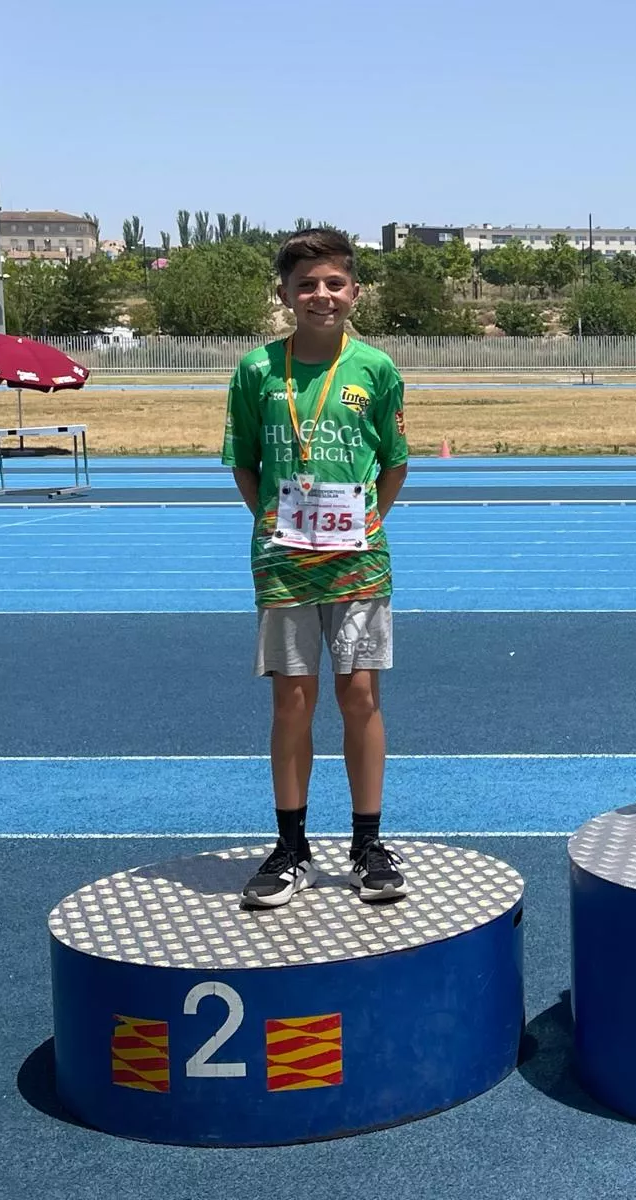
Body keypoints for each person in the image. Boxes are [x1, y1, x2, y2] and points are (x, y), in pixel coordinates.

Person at [222, 228, 411, 907]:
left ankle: (367, 842)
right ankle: (291, 844)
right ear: (284, 294)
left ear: (354, 291)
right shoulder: (256, 371)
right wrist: (266, 518)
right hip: (283, 559)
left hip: (357, 560)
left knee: (359, 695)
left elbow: (395, 459)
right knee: (291, 699)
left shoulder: (376, 369)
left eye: (334, 283)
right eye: (307, 284)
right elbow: (243, 458)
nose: (321, 296)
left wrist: (372, 519)